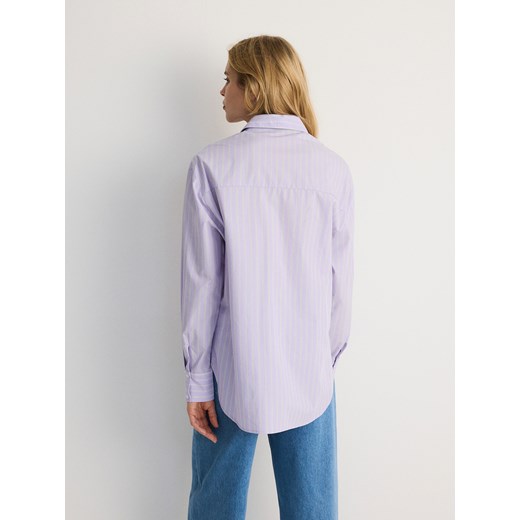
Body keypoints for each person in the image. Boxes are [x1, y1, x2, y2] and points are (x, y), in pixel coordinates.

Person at [180, 34, 354, 520]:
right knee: (313, 510)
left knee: (214, 506)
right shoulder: (333, 170)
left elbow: (202, 285)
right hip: (310, 370)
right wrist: (320, 361)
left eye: (229, 80)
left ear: (253, 88)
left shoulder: (211, 166)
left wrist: (198, 381)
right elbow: (340, 291)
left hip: (231, 366)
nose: (222, 92)